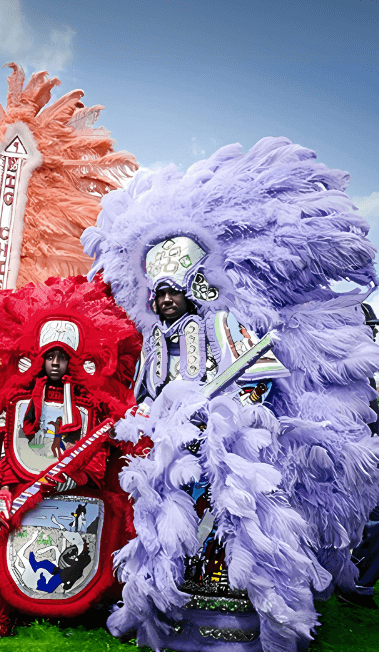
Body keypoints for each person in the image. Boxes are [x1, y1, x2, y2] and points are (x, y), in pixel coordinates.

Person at [82, 136, 379, 651]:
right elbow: (148, 393)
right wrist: (158, 420)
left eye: (175, 291)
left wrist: (225, 412)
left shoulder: (226, 329)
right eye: (159, 294)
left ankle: (243, 625)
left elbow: (258, 379)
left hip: (229, 453)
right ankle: (172, 616)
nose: (167, 301)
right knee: (168, 533)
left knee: (234, 531)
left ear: (194, 287)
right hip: (171, 454)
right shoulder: (155, 341)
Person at [0, 275, 143, 636]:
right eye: (48, 356)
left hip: (71, 492)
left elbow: (96, 456)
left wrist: (78, 478)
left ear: (73, 360)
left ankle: (74, 607)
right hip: (24, 489)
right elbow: (9, 449)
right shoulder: (18, 403)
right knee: (7, 547)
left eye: (61, 357)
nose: (54, 363)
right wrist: (5, 490)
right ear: (38, 356)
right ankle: (2, 611)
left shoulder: (88, 405)